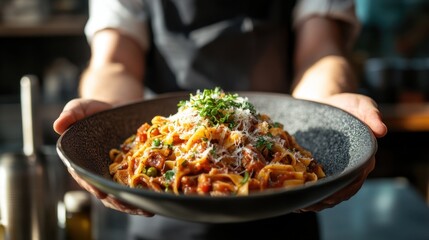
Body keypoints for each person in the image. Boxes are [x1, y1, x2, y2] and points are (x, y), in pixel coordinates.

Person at [54, 0, 388, 239]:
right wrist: (107, 114)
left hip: (287, 213)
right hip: (158, 217)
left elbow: (320, 50)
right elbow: (115, 61)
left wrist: (324, 108)